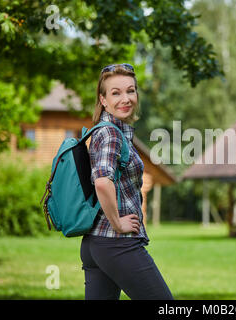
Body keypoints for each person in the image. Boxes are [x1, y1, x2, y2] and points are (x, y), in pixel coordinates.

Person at [80, 63, 174, 300]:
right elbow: (102, 182)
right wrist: (118, 223)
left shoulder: (111, 132)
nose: (126, 98)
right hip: (116, 243)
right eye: (116, 93)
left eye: (130, 91)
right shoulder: (110, 133)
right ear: (103, 99)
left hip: (96, 243)